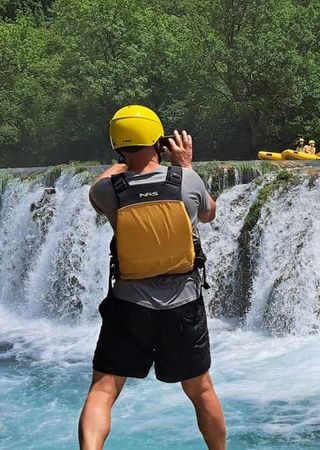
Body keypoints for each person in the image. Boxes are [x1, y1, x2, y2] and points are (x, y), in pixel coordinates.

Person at [78, 105, 226, 450]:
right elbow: (209, 214)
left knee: (103, 389)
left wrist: (123, 160)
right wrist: (184, 164)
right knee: (201, 389)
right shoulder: (185, 179)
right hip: (184, 305)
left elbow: (97, 184)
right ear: (158, 140)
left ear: (117, 144)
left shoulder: (107, 191)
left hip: (129, 305)